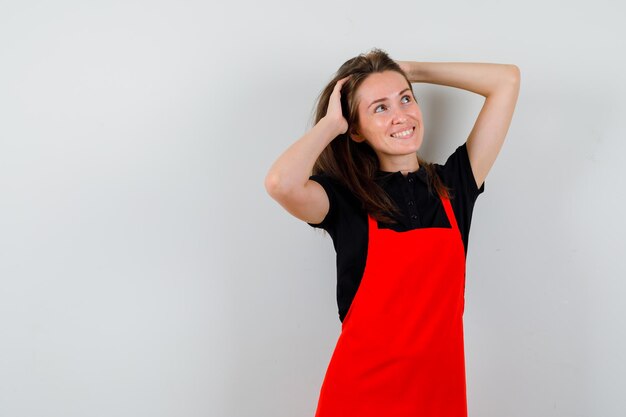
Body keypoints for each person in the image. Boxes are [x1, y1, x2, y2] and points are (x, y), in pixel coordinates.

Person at [264, 48, 520, 416]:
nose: (401, 115)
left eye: (405, 98)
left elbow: (506, 80)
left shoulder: (455, 187)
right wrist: (331, 125)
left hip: (439, 398)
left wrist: (410, 70)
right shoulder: (345, 201)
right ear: (354, 129)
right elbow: (280, 184)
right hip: (359, 398)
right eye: (380, 108)